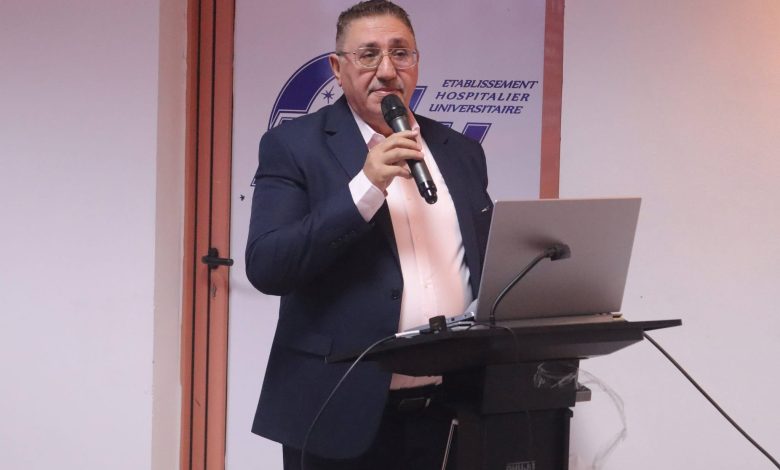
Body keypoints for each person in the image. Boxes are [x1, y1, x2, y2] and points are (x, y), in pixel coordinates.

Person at [245, 1, 493, 468]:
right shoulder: (293, 146)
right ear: (337, 68)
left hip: (451, 410)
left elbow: (478, 267)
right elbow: (269, 265)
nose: (386, 70)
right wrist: (366, 186)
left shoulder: (460, 151)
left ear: (416, 62)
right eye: (368, 54)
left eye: (400, 53)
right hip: (338, 413)